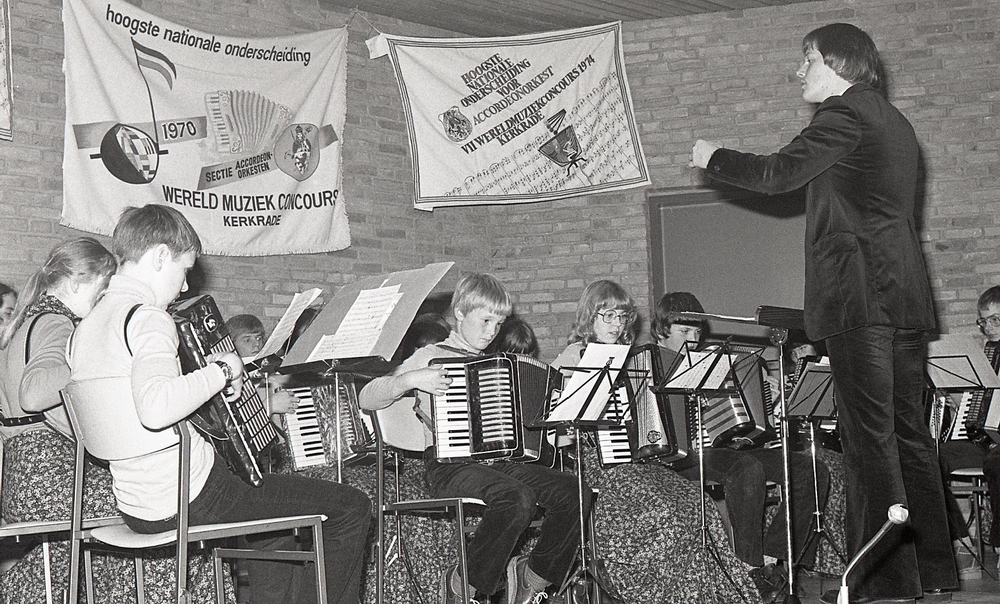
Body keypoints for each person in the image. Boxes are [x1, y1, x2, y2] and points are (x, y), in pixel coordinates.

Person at [690, 23, 956, 602]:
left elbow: (777, 174)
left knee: (869, 438)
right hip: (903, 296)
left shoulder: (844, 113)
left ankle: (882, 580)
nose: (799, 71)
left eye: (806, 59)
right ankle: (933, 571)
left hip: (860, 296)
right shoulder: (895, 121)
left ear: (837, 62)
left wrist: (714, 157)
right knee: (909, 435)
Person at [67, 204, 371, 604]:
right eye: (184, 270)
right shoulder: (147, 318)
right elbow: (156, 408)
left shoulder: (85, 329)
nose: (184, 287)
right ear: (160, 256)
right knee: (352, 506)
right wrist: (225, 369)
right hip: (193, 497)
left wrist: (206, 378)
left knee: (275, 526)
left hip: (138, 506)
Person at [359, 273, 588, 604]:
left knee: (574, 491)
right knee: (517, 497)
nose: (492, 331)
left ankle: (533, 578)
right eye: (485, 320)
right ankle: (463, 585)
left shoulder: (498, 365)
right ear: (460, 313)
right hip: (449, 465)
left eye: (499, 323)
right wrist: (410, 379)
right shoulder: (431, 355)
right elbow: (367, 396)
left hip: (498, 464)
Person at [550, 280, 759, 603]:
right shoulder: (573, 357)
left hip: (638, 461)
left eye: (622, 316)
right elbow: (557, 428)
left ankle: (697, 593)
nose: (617, 324)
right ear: (589, 317)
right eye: (608, 316)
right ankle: (659, 592)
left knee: (697, 502)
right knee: (663, 510)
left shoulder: (634, 358)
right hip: (598, 463)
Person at [651, 292, 830, 598]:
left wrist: (769, 397)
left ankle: (773, 559)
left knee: (810, 469)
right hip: (681, 455)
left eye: (696, 331)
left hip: (724, 451)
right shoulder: (650, 362)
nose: (692, 339)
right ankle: (748, 568)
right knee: (746, 468)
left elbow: (739, 418)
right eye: (684, 331)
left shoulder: (712, 361)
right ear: (661, 331)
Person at [935, 285, 1000, 578]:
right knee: (927, 457)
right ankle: (961, 542)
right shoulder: (985, 355)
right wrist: (963, 403)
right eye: (984, 321)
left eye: (995, 319)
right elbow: (979, 411)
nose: (989, 327)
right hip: (983, 441)